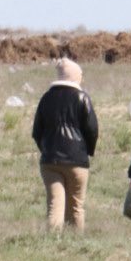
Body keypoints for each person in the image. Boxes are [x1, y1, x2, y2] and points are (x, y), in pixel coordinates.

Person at [31, 57, 100, 233]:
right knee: (76, 206)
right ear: (75, 76)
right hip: (77, 161)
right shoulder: (82, 98)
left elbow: (37, 131)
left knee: (55, 204)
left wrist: (47, 149)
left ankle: (53, 244)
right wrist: (87, 150)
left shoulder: (46, 98)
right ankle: (75, 244)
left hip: (50, 162)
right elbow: (92, 129)